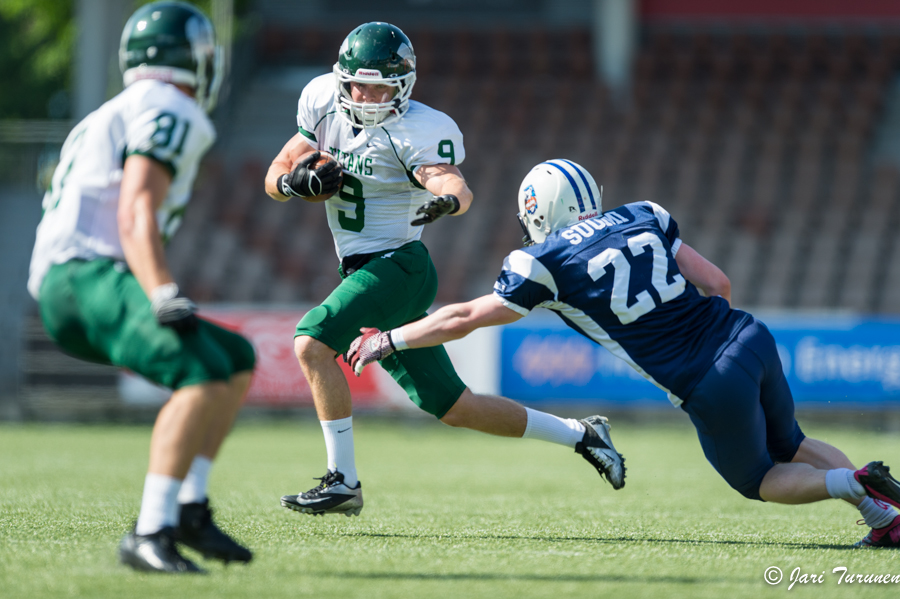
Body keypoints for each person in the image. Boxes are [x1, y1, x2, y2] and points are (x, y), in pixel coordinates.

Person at [347, 158, 900, 549]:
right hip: (748, 336)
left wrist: (390, 338)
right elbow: (719, 282)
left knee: (758, 480)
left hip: (706, 377)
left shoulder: (542, 262)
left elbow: (465, 317)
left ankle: (855, 483)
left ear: (540, 210)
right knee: (794, 443)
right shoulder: (645, 214)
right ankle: (885, 516)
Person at [264, 23, 625, 517]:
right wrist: (292, 183)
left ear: (405, 85)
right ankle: (580, 434)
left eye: (381, 87)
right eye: (357, 85)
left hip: (399, 264)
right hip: (364, 273)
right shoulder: (322, 100)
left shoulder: (421, 128)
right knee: (456, 407)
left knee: (311, 342)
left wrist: (447, 203)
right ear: (341, 79)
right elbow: (280, 165)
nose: (367, 96)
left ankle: (342, 481)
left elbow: (451, 181)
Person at [28, 2, 255, 573]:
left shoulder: (119, 108)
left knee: (235, 358)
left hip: (73, 277)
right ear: (193, 60)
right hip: (86, 275)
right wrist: (160, 290)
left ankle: (190, 508)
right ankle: (152, 530)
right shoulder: (169, 106)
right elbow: (136, 209)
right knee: (199, 373)